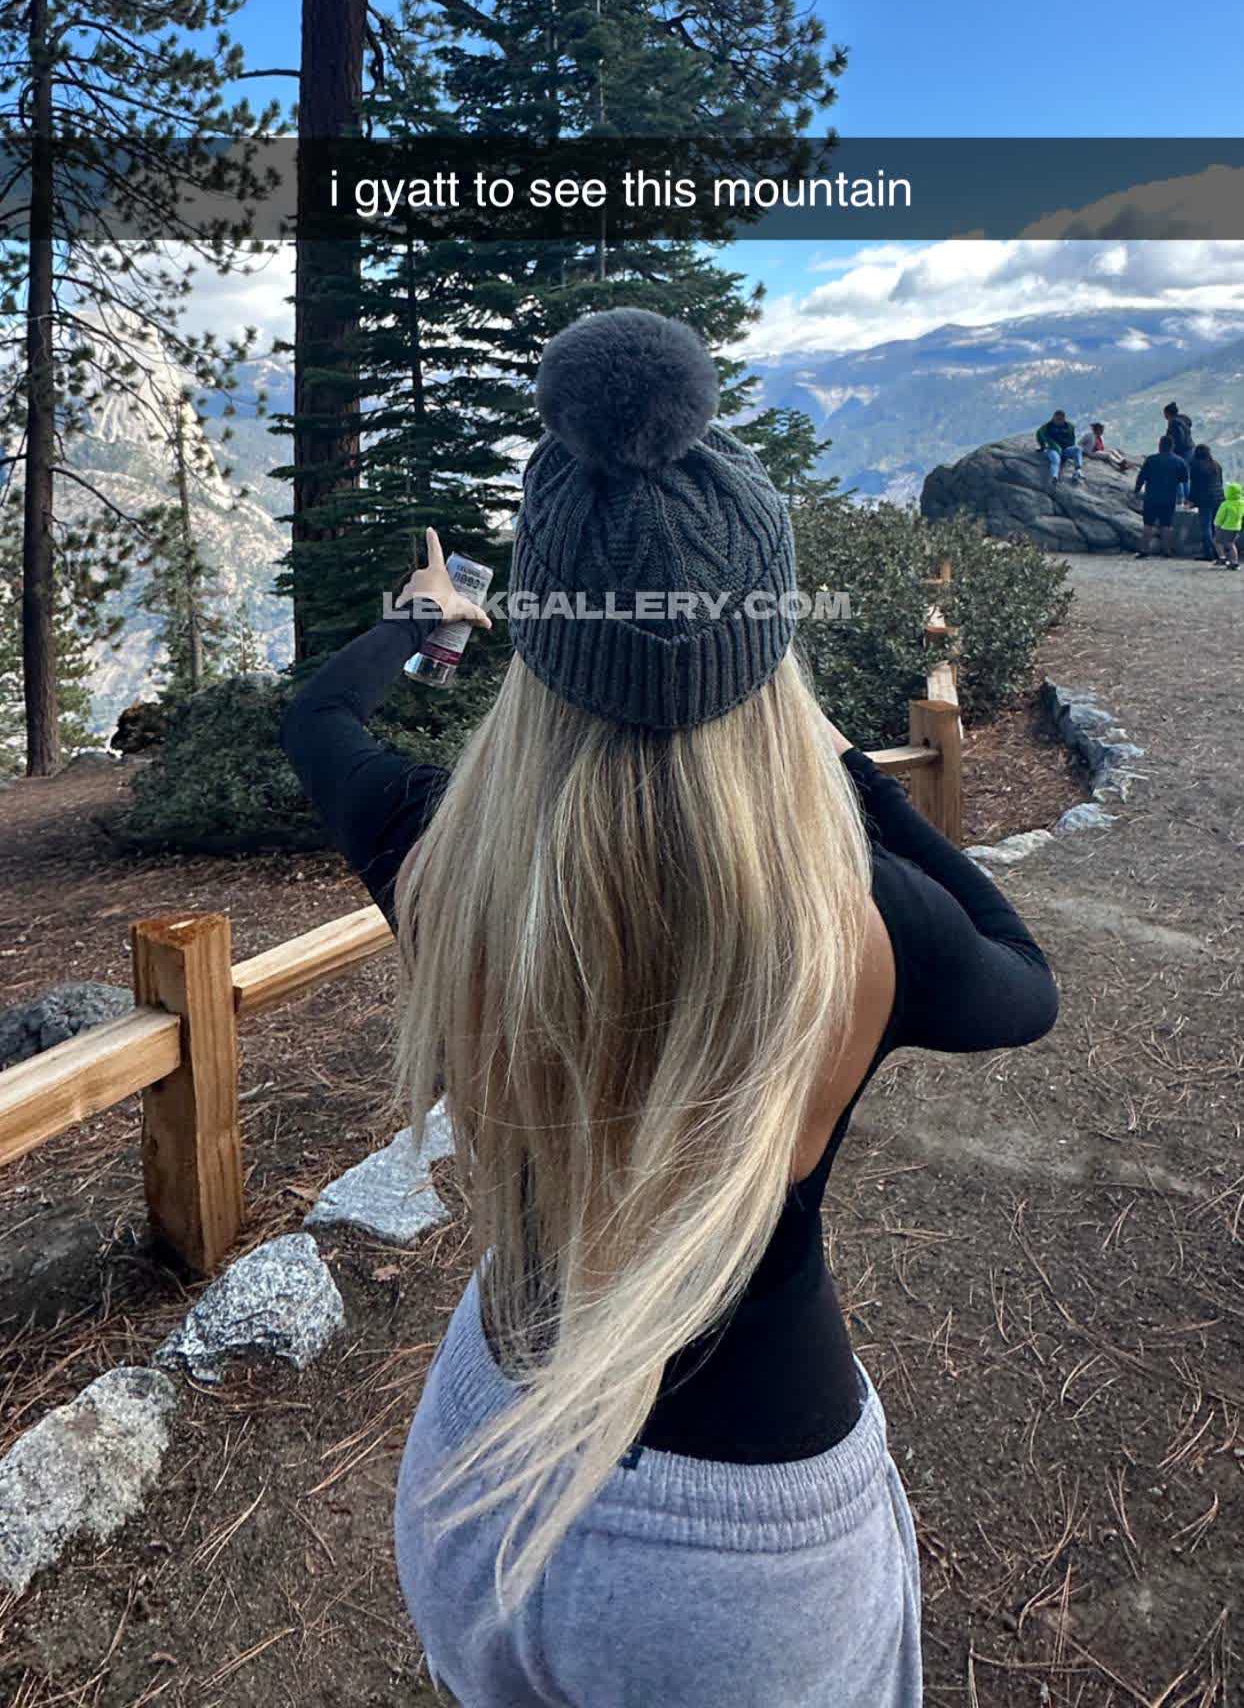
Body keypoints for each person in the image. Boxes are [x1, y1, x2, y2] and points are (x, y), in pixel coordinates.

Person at [278, 308, 1058, 1708]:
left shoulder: (445, 856)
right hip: (747, 1578)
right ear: (766, 653)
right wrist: (848, 771)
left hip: (483, 1463)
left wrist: (418, 615)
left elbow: (317, 720)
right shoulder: (863, 923)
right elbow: (1024, 980)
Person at [1132, 434, 1190, 558]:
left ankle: (1144, 550)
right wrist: (1186, 498)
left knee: (1148, 524)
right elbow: (1185, 480)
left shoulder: (1151, 460)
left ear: (1160, 446)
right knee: (1166, 525)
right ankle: (1167, 551)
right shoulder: (1179, 461)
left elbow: (1141, 477)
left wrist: (1136, 490)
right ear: (1172, 446)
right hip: (1169, 498)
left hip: (1151, 497)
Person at [1186, 444, 1225, 562]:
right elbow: (1220, 482)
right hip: (1219, 498)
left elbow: (1195, 486)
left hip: (1205, 500)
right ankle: (1219, 553)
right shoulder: (1216, 465)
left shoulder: (1196, 465)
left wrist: (1191, 500)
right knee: (1215, 527)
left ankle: (1209, 553)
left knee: (1206, 527)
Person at [1036, 409, 1082, 483]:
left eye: (1061, 419)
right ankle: (1054, 476)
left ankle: (1078, 471)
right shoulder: (1047, 427)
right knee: (1055, 460)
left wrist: (1071, 449)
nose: (1059, 420)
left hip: (1065, 450)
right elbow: (1039, 434)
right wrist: (1042, 446)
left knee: (1078, 449)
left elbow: (1072, 439)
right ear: (1053, 418)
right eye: (1057, 419)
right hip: (1053, 449)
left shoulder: (1069, 426)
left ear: (1064, 419)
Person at [1162, 402, 1194, 504]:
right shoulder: (1182, 419)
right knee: (1186, 475)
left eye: (1165, 413)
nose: (1164, 415)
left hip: (1181, 451)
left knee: (1176, 476)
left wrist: (1172, 451)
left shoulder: (1174, 423)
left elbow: (1177, 439)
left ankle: (1179, 499)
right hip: (1190, 449)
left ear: (1168, 413)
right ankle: (1188, 499)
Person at [1213, 478, 1243, 569]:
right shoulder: (1242, 503)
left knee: (1218, 541)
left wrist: (1216, 525)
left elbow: (1220, 516)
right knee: (1231, 544)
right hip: (1237, 527)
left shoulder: (1225, 504)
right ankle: (1233, 561)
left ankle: (1225, 559)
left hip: (1226, 527)